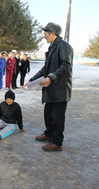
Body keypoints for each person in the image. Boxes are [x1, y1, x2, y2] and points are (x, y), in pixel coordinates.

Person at [26, 22, 73, 151]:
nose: (44, 36)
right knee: (49, 114)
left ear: (53, 33)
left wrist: (51, 77)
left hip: (60, 89)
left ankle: (57, 142)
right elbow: (45, 68)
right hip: (51, 89)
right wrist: (32, 80)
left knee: (57, 117)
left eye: (45, 34)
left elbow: (65, 65)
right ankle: (49, 133)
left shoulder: (64, 46)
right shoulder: (53, 47)